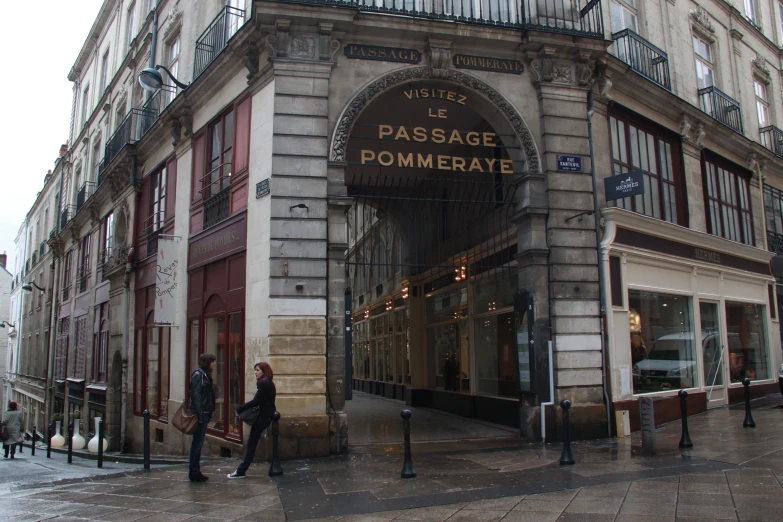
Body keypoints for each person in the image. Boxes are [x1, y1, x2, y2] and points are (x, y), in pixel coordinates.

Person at [227, 362, 276, 479]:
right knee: (251, 444)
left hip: (263, 417)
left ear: (264, 371)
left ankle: (241, 470)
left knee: (251, 444)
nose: (255, 372)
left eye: (258, 370)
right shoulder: (265, 383)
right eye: (255, 370)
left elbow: (256, 401)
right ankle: (241, 470)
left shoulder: (265, 384)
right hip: (264, 417)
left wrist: (240, 408)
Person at [188, 353, 216, 482]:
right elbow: (196, 396)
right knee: (197, 444)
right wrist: (199, 414)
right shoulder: (198, 375)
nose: (215, 364)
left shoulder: (204, 375)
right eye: (212, 361)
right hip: (201, 413)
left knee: (198, 443)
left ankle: (195, 470)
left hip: (204, 412)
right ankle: (194, 471)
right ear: (207, 363)